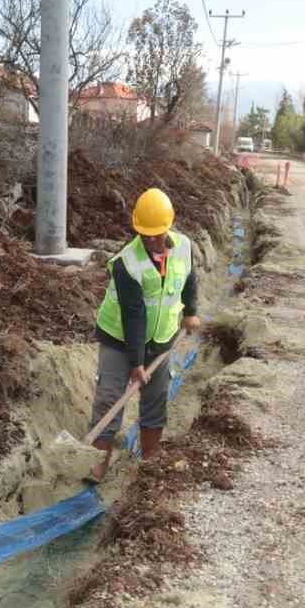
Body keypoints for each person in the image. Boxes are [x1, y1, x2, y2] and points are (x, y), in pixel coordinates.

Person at [87, 187, 202, 482]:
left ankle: (150, 459)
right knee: (110, 398)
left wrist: (190, 311)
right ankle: (97, 466)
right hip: (119, 338)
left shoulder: (184, 247)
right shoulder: (127, 263)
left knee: (156, 397)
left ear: (168, 226)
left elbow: (189, 279)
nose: (151, 241)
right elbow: (133, 315)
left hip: (161, 339)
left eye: (157, 235)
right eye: (145, 235)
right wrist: (136, 363)